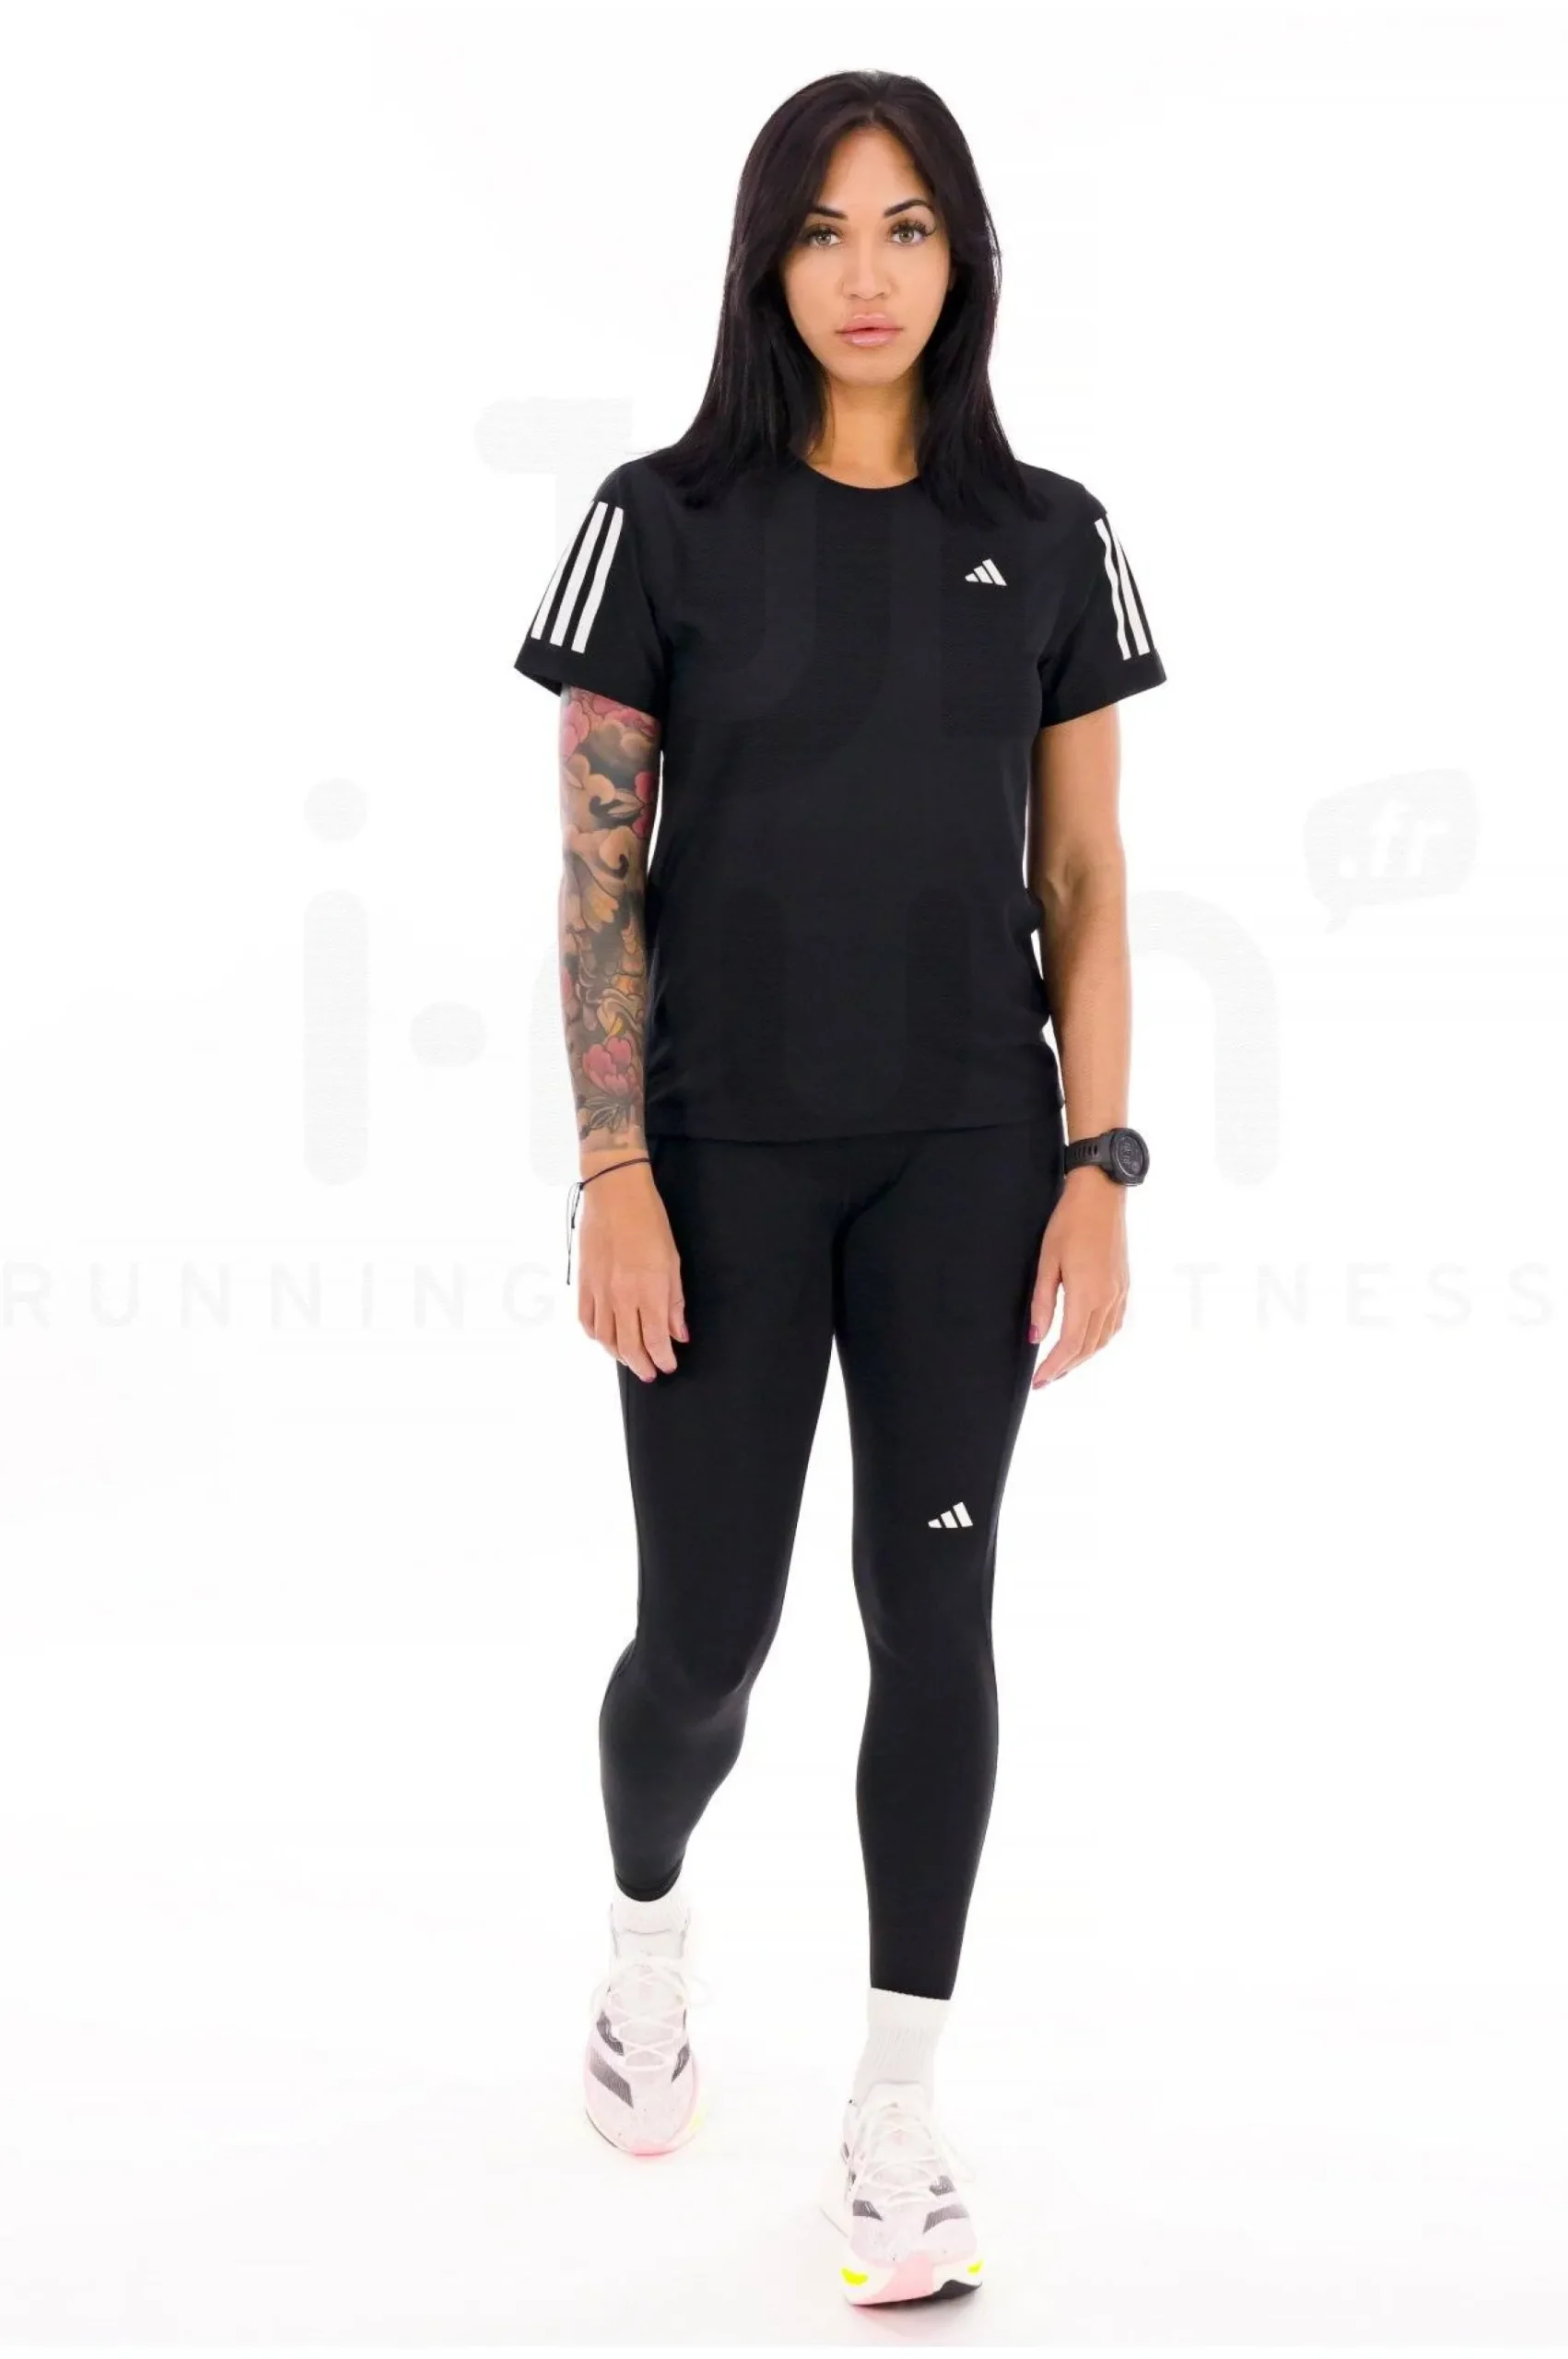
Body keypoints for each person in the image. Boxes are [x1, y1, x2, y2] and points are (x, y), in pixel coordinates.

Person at [511, 68, 1165, 2306]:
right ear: (762, 260)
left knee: (934, 1610)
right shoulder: (660, 521)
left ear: (959, 256)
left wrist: (1098, 1158)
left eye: (903, 227)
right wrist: (612, 1165)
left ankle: (894, 2113)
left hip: (965, 1157)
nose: (863, 273)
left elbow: (1082, 875)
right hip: (711, 1158)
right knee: (706, 1637)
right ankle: (646, 1941)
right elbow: (594, 879)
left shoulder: (1050, 535)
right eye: (819, 229)